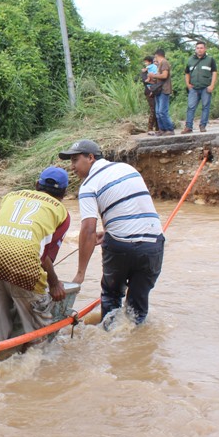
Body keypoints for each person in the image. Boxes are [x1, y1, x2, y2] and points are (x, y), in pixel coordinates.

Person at [60, 139, 164, 327]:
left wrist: (80, 273)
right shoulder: (128, 169)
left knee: (111, 295)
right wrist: (108, 232)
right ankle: (136, 343)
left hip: (120, 248)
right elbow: (134, 209)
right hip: (153, 244)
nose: (72, 167)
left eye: (75, 160)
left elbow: (88, 229)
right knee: (137, 307)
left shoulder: (89, 185)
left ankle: (108, 338)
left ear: (90, 158)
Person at [0, 167, 71, 347]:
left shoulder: (10, 197)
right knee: (38, 339)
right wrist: (55, 283)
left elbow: (6, 236)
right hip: (25, 269)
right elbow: (44, 257)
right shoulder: (61, 212)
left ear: (36, 184)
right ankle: (32, 365)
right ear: (64, 193)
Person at [182, 41, 217, 133]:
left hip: (206, 87)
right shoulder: (190, 60)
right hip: (193, 88)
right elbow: (187, 73)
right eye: (198, 48)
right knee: (191, 107)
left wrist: (212, 85)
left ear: (205, 49)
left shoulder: (210, 59)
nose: (199, 50)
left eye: (201, 48)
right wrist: (188, 84)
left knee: (205, 107)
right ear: (195, 49)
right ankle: (188, 127)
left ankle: (202, 126)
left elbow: (214, 73)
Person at [147, 48, 175, 135]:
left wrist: (153, 75)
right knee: (158, 112)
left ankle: (169, 129)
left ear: (156, 56)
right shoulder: (159, 65)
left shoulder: (164, 62)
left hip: (164, 90)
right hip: (159, 90)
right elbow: (160, 77)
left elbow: (165, 75)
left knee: (162, 111)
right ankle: (162, 129)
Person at [140, 55, 159, 134]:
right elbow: (145, 81)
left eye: (156, 62)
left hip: (157, 91)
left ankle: (158, 127)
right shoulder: (144, 72)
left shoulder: (155, 69)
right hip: (149, 92)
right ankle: (150, 127)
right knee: (153, 109)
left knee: (158, 109)